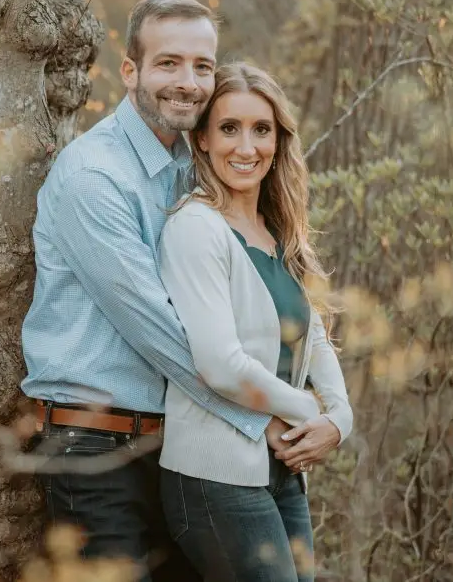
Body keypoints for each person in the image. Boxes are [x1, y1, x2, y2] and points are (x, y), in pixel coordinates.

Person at [20, 0, 270, 582]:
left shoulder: (199, 168)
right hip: (95, 450)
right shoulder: (93, 175)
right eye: (168, 63)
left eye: (202, 67)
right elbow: (157, 329)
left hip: (183, 445)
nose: (188, 82)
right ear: (129, 70)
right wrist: (264, 414)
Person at [157, 62, 353, 582]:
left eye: (260, 130)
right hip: (213, 475)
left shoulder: (279, 231)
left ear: (278, 140)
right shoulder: (195, 229)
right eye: (229, 128)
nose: (247, 147)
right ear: (201, 139)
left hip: (282, 471)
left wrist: (339, 420)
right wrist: (305, 410)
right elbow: (220, 364)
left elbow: (313, 336)